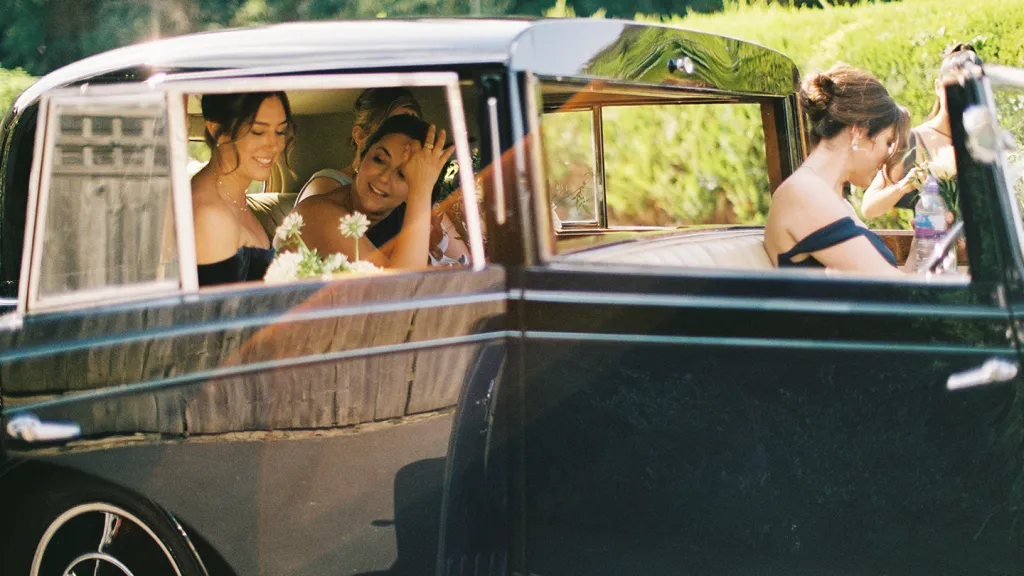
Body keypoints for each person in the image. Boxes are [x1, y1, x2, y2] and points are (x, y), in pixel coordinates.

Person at [764, 64, 910, 275]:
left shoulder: (829, 197)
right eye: (888, 142)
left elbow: (891, 281)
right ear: (859, 132)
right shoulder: (804, 193)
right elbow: (890, 284)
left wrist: (926, 242)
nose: (888, 155)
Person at [290, 114, 454, 269]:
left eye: (402, 174)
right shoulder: (318, 215)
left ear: (408, 196)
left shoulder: (397, 221)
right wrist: (421, 190)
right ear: (361, 158)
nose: (384, 177)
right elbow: (401, 285)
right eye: (379, 160)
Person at [860, 44, 981, 219]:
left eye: (969, 88)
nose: (960, 96)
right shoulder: (913, 141)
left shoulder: (985, 141)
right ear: (938, 87)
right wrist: (904, 185)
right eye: (953, 87)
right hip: (935, 235)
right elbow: (869, 208)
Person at [191, 92, 294, 286]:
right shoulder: (210, 216)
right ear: (217, 131)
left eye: (280, 131)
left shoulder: (233, 197)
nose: (274, 146)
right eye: (258, 131)